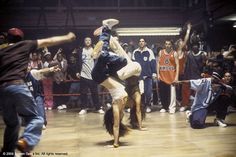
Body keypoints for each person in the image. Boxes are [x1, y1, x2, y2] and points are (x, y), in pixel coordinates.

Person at [0, 27, 76, 156]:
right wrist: (67, 37)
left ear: (8, 39)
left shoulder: (2, 51)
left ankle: (7, 153)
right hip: (17, 84)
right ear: (20, 39)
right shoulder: (25, 45)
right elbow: (49, 41)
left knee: (13, 124)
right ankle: (26, 141)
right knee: (36, 118)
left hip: (2, 89)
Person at [92, 19, 142, 148]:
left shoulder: (116, 105)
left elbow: (115, 125)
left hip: (98, 76)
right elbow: (118, 123)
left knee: (103, 55)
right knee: (123, 61)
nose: (121, 117)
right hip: (109, 75)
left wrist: (115, 144)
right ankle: (106, 32)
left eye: (119, 118)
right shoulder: (122, 107)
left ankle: (104, 31)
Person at [26, 66, 61, 130]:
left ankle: (41, 123)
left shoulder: (32, 73)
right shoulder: (19, 77)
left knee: (39, 104)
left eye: (28, 66)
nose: (28, 67)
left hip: (36, 96)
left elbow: (41, 71)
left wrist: (50, 69)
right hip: (27, 99)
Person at [77, 37, 104, 114]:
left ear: (91, 41)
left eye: (89, 40)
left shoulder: (94, 49)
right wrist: (77, 71)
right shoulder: (81, 50)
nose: (88, 41)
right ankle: (83, 108)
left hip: (93, 75)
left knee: (95, 93)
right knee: (83, 93)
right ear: (84, 42)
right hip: (83, 74)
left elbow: (99, 61)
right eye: (86, 40)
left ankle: (98, 108)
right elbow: (78, 61)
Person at [132, 38, 157, 113]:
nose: (141, 43)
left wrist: (154, 73)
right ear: (138, 43)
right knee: (139, 93)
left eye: (143, 41)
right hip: (138, 77)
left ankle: (148, 105)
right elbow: (133, 64)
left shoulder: (149, 51)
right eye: (140, 41)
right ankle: (141, 106)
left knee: (148, 92)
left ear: (145, 43)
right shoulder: (135, 52)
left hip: (147, 76)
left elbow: (153, 62)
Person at [157, 40, 179, 113]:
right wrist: (158, 74)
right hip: (163, 76)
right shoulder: (161, 52)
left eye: (169, 44)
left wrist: (176, 77)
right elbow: (158, 64)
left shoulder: (174, 53)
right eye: (166, 44)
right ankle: (164, 107)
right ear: (164, 45)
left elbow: (177, 65)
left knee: (172, 94)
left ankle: (172, 107)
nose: (167, 45)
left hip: (171, 77)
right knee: (163, 93)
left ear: (171, 45)